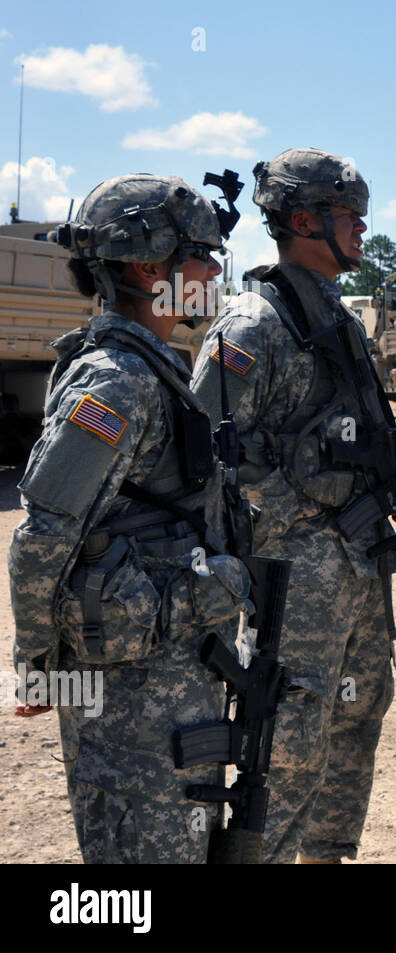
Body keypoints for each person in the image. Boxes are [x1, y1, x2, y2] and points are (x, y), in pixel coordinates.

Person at [8, 173, 250, 862]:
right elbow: (43, 534)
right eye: (202, 253)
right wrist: (38, 663)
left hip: (174, 686)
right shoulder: (116, 379)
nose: (215, 269)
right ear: (150, 266)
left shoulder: (155, 368)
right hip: (129, 706)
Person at [190, 148, 396, 864]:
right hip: (297, 572)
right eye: (352, 217)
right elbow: (211, 456)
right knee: (289, 733)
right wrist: (303, 511)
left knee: (359, 708)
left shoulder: (341, 323)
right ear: (306, 219)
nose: (364, 230)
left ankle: (326, 852)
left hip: (358, 563)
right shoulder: (252, 327)